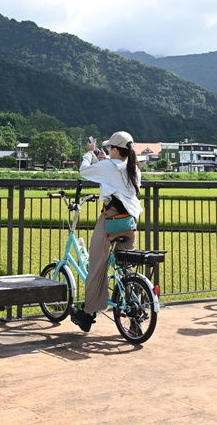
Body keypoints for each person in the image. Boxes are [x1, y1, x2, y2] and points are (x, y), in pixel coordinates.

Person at [69, 130, 142, 332]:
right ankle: (135, 319)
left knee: (96, 267)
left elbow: (84, 171)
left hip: (111, 222)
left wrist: (90, 153)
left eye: (110, 147)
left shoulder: (109, 166)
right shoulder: (134, 167)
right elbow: (117, 182)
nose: (108, 149)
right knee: (125, 267)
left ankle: (87, 314)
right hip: (130, 223)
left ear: (115, 149)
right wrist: (103, 160)